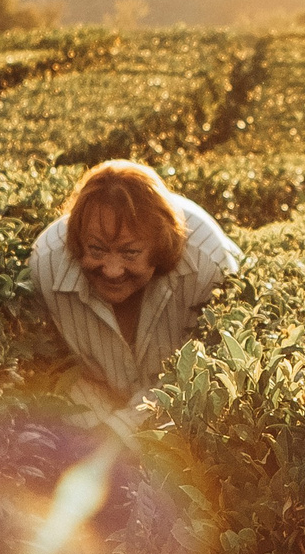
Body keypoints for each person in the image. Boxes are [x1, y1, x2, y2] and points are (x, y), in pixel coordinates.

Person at [28, 160, 241, 423]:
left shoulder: (210, 263)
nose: (112, 270)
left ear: (160, 246)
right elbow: (62, 371)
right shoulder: (46, 265)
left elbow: (207, 378)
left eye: (130, 252)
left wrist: (119, 433)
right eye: (97, 249)